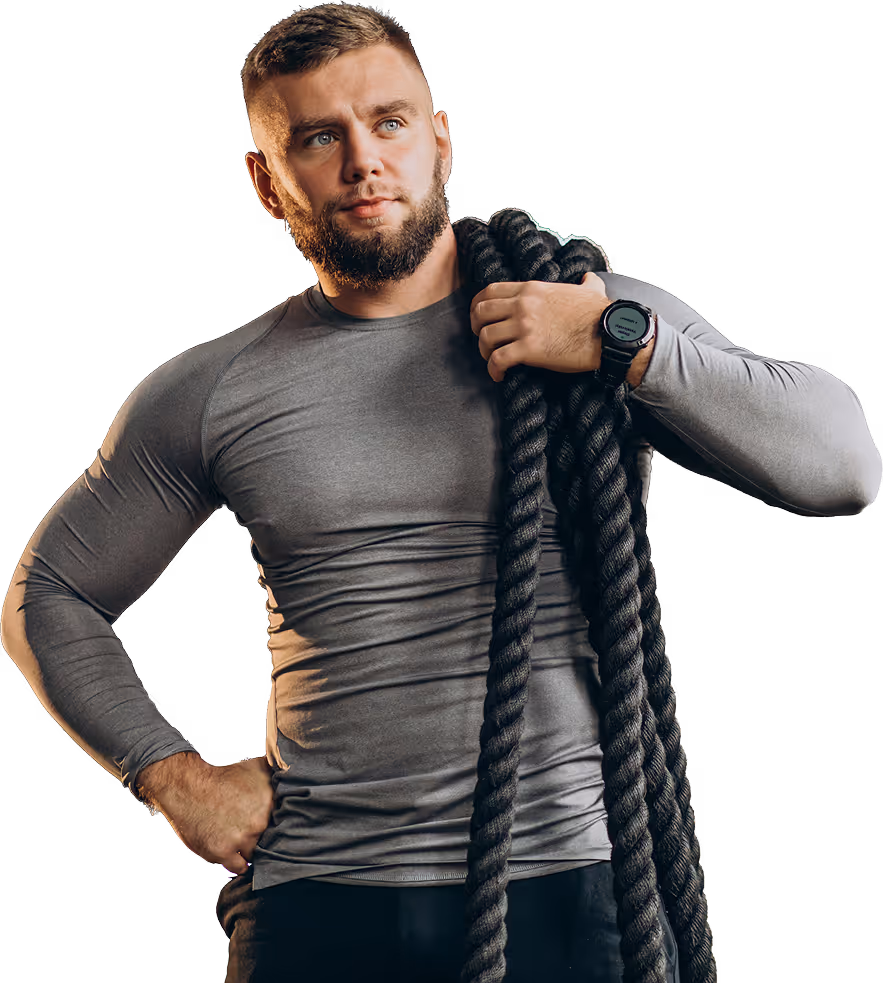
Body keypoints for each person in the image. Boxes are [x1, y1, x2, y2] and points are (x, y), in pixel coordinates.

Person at [2, 5, 880, 982]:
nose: (362, 161)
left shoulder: (589, 314)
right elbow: (50, 593)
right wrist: (170, 777)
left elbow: (843, 467)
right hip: (318, 898)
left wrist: (620, 344)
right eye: (317, 137)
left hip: (571, 885)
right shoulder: (211, 388)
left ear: (440, 139)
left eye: (388, 122)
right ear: (264, 178)